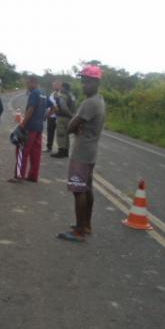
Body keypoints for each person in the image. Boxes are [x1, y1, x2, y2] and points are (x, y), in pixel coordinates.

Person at [57, 65, 106, 242]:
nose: (83, 85)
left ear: (96, 82)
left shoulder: (89, 103)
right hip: (91, 151)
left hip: (81, 154)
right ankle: (86, 224)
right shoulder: (99, 100)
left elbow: (70, 126)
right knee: (87, 188)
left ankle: (78, 232)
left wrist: (74, 124)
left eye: (87, 81)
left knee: (79, 191)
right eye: (83, 81)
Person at [8, 76, 47, 183]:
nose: (27, 86)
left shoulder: (34, 93)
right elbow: (49, 108)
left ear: (33, 83)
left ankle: (19, 176)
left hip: (29, 127)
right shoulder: (43, 93)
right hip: (39, 127)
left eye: (27, 83)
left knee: (22, 150)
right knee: (35, 153)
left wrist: (22, 125)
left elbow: (31, 109)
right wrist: (42, 118)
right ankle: (33, 176)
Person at [51, 81, 76, 158]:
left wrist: (70, 115)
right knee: (66, 135)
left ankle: (61, 151)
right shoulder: (72, 95)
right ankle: (66, 151)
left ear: (63, 87)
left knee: (61, 134)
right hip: (69, 118)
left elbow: (63, 107)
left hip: (63, 117)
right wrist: (72, 116)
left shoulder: (63, 95)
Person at [46, 80, 61, 153]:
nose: (54, 86)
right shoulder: (52, 94)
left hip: (58, 117)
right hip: (51, 117)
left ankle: (61, 149)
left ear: (59, 85)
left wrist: (48, 114)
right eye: (53, 85)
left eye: (56, 85)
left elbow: (57, 106)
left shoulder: (61, 94)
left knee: (60, 133)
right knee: (50, 132)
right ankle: (49, 147)